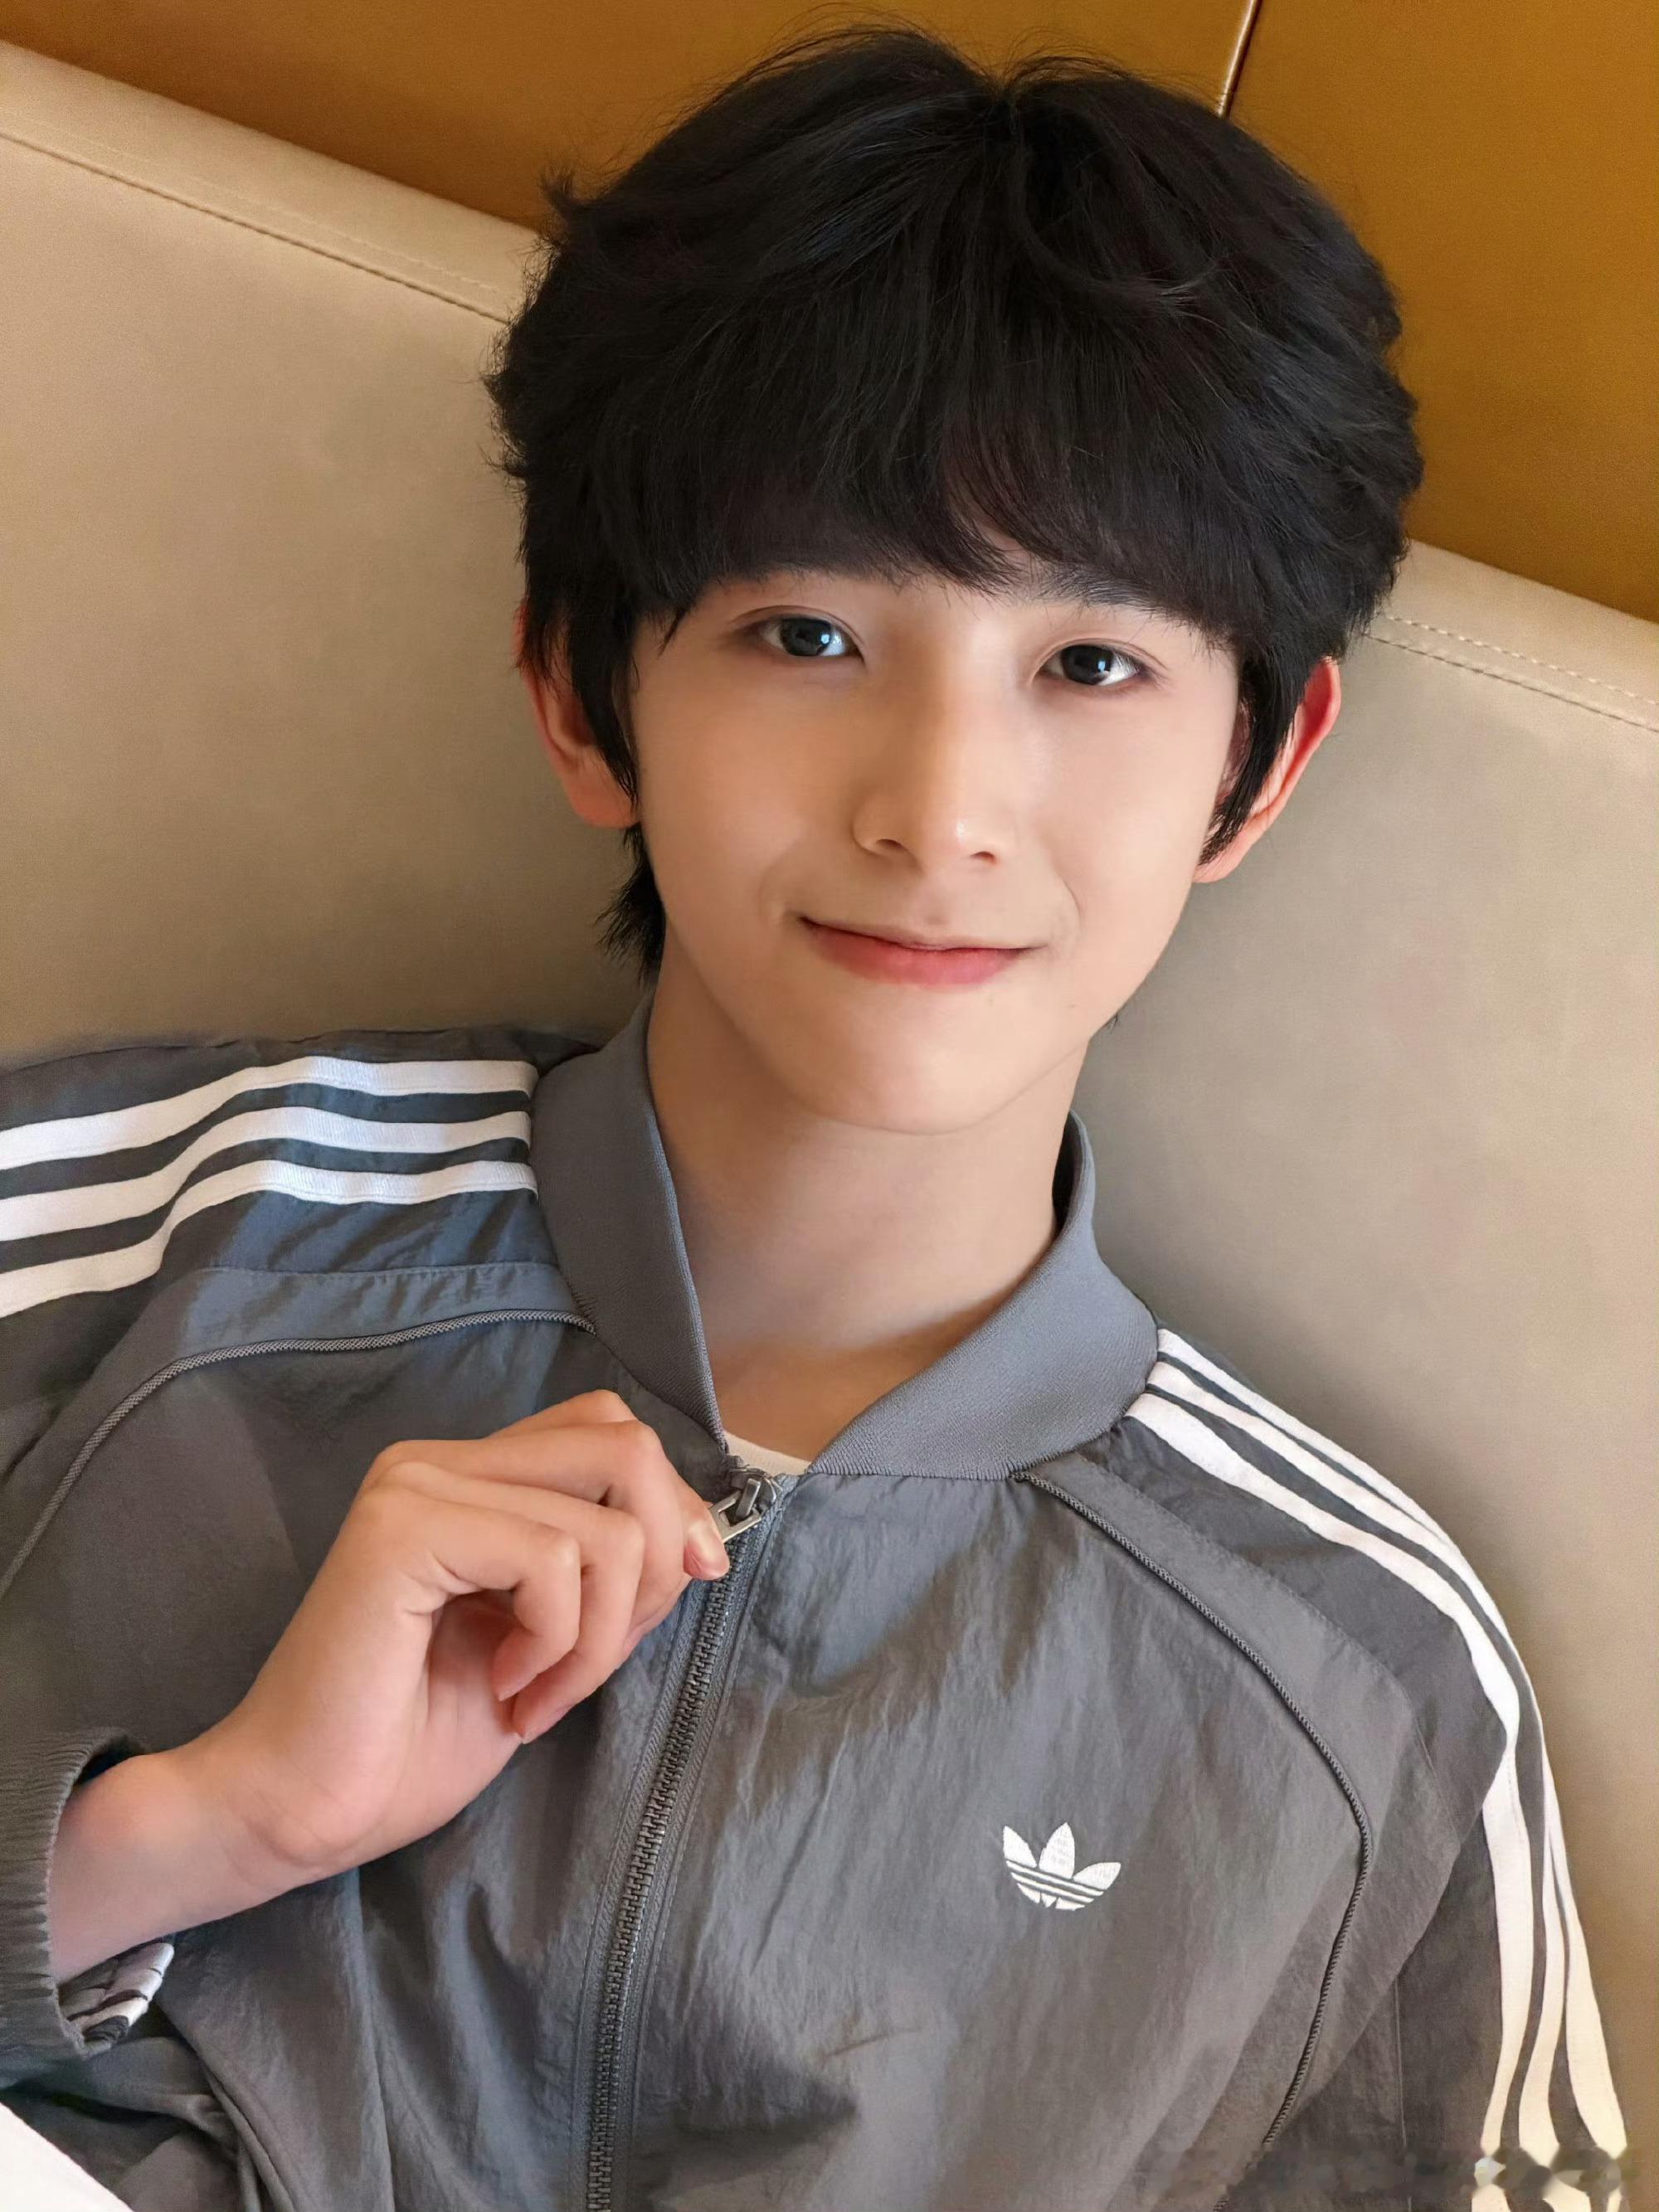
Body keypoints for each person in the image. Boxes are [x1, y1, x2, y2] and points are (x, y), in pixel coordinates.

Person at [0, 22, 1632, 2212]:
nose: (940, 811)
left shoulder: (1372, 1681)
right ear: (583, 689)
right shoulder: (117, 1234)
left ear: (1260, 762)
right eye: (806, 633)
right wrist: (193, 1830)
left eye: (1092, 666)